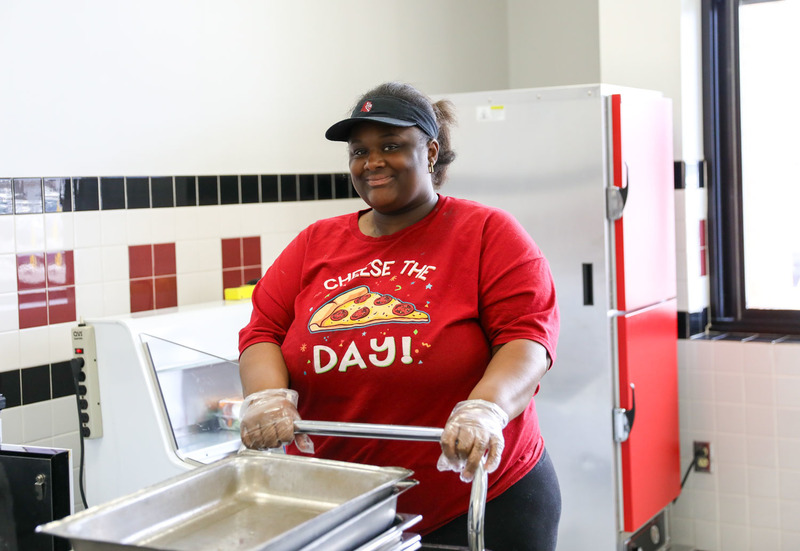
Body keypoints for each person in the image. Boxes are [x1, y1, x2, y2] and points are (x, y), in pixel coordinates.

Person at [238, 81, 561, 550]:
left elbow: (528, 339)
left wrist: (485, 410)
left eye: (391, 145)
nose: (372, 162)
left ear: (430, 151)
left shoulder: (488, 232)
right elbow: (263, 332)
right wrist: (268, 398)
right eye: (359, 150)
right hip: (347, 508)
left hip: (479, 501)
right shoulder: (315, 243)